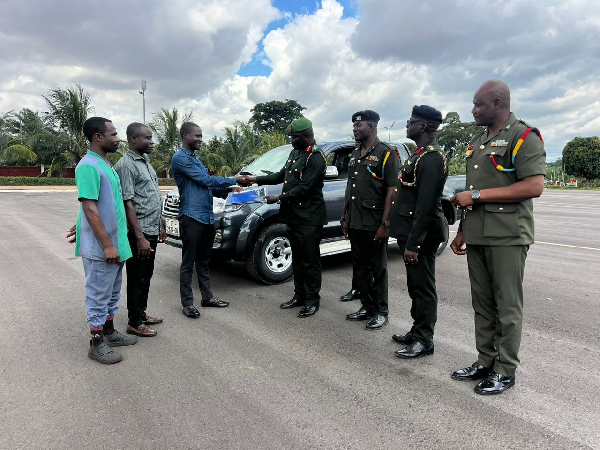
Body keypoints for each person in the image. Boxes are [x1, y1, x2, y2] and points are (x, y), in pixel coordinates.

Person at [450, 80, 546, 395]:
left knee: (507, 306)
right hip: (478, 234)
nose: (473, 110)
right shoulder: (478, 140)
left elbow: (533, 186)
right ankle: (485, 361)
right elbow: (471, 192)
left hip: (507, 236)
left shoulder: (523, 136)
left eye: (478, 104)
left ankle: (505, 370)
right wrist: (463, 231)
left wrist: (476, 195)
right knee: (483, 303)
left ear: (498, 102)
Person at [242, 118, 327, 318]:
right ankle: (299, 296)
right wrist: (254, 179)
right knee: (297, 258)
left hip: (309, 218)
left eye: (294, 137)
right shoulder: (295, 152)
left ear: (306, 135)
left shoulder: (316, 158)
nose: (291, 140)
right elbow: (281, 175)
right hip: (293, 216)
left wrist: (277, 198)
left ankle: (312, 300)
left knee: (310, 260)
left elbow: (304, 189)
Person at [75, 117, 137, 364]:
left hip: (116, 244)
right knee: (98, 294)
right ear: (98, 137)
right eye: (113, 134)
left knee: (111, 293)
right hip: (104, 247)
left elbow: (98, 204)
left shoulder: (104, 164)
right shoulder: (88, 166)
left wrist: (77, 224)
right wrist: (108, 245)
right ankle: (96, 342)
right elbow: (89, 207)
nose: (117, 138)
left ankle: (109, 332)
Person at [390, 105, 448, 358]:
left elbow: (425, 206)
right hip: (410, 231)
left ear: (422, 126)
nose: (407, 124)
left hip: (421, 234)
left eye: (411, 121)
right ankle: (417, 330)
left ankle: (425, 340)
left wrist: (414, 243)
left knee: (423, 286)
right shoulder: (420, 155)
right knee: (415, 284)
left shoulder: (433, 158)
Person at [171, 122, 245, 319]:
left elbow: (209, 188)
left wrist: (230, 189)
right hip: (191, 216)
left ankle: (208, 298)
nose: (201, 139)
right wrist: (234, 180)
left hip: (207, 217)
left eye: (201, 136)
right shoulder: (180, 158)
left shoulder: (197, 159)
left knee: (204, 261)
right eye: (197, 136)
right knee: (188, 263)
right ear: (185, 136)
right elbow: (205, 181)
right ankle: (187, 303)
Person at [341, 110, 399, 330]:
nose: (355, 129)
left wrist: (385, 224)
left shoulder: (386, 154)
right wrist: (345, 216)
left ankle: (381, 311)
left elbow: (392, 191)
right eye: (354, 126)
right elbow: (350, 187)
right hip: (355, 220)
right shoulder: (355, 153)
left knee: (378, 269)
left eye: (359, 126)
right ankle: (367, 306)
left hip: (374, 222)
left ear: (372, 127)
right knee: (360, 267)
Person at [114, 122, 166, 337]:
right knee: (138, 276)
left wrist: (161, 223)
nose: (152, 142)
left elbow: (153, 194)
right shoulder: (126, 165)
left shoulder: (144, 161)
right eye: (147, 138)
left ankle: (140, 313)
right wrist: (140, 238)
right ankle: (135, 322)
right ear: (133, 139)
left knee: (145, 275)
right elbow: (127, 203)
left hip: (151, 228)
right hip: (139, 232)